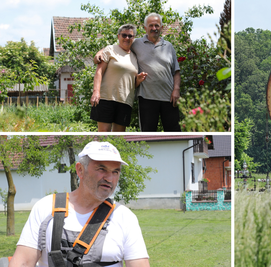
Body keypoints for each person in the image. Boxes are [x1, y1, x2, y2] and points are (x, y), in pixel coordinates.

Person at [9, 141, 150, 267]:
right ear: (80, 170)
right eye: (102, 169)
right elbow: (22, 262)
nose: (109, 178)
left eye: (115, 172)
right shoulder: (46, 207)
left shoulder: (125, 217)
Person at [94, 13, 181, 132]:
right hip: (147, 97)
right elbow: (116, 46)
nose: (154, 28)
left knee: (174, 131)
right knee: (148, 132)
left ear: (161, 27)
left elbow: (176, 71)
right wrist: (100, 52)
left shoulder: (169, 47)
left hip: (168, 97)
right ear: (145, 28)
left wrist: (176, 89)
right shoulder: (137, 43)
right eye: (151, 25)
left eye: (157, 25)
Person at [91, 24, 148, 132]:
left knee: (118, 138)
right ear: (118, 36)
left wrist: (138, 81)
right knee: (104, 136)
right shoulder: (110, 50)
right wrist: (96, 92)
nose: (127, 38)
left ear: (134, 38)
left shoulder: (135, 57)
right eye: (124, 35)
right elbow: (99, 72)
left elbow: (131, 83)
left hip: (125, 101)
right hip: (106, 98)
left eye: (130, 36)